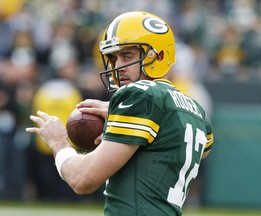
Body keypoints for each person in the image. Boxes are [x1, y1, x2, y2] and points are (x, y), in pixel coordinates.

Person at [26, 11, 214, 215]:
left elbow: (82, 179)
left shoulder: (140, 95)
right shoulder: (195, 109)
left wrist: (59, 143)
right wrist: (124, 116)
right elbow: (202, 147)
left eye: (127, 56)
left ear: (158, 56)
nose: (118, 67)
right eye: (113, 58)